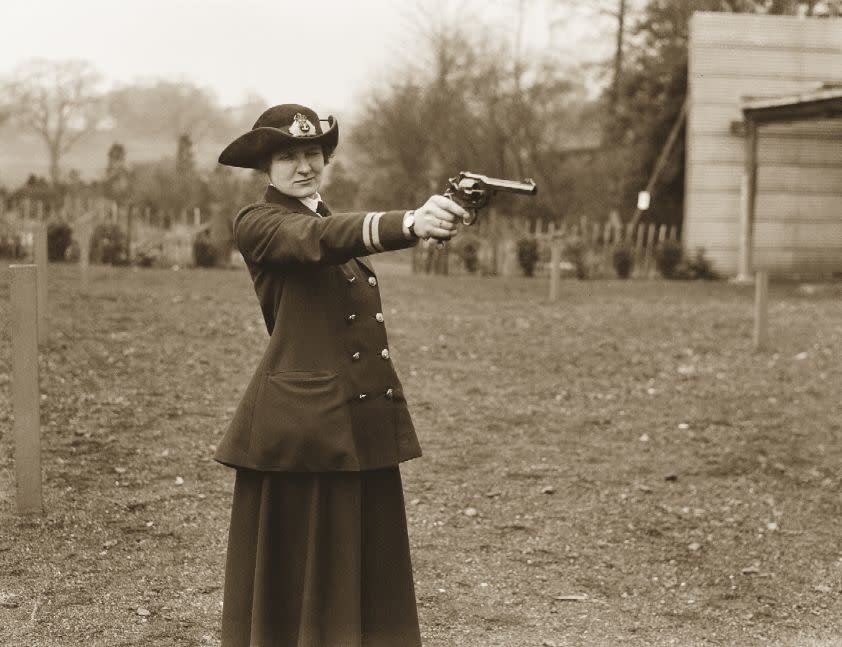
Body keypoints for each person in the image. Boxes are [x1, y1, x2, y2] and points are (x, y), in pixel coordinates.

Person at [215, 103, 467, 647]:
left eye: (312, 153)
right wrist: (408, 222)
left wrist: (434, 221)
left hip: (356, 417)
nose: (303, 166)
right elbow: (317, 242)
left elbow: (332, 235)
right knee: (304, 578)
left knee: (361, 570)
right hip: (302, 428)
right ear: (266, 167)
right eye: (288, 156)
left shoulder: (324, 216)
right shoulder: (259, 222)